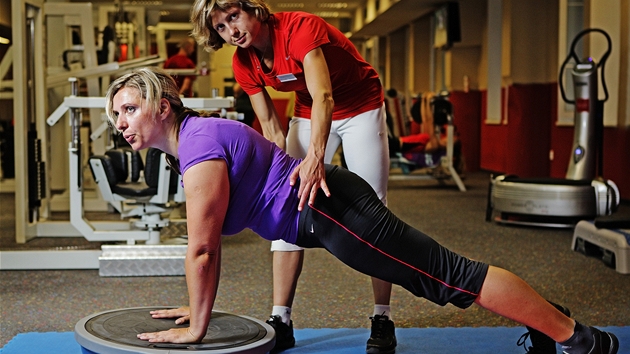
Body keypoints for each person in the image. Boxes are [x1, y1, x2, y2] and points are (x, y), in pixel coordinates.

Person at [106, 67, 619, 354]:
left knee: (450, 277)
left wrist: (197, 325)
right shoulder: (195, 141)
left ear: (163, 105)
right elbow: (206, 247)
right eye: (115, 115)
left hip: (334, 213)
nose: (121, 122)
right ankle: (557, 322)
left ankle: (581, 341)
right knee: (446, 276)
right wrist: (195, 307)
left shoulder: (199, 147)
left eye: (129, 108)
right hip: (331, 210)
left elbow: (202, 249)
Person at [190, 1, 395, 352]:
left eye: (233, 17)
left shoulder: (300, 28)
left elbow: (324, 95)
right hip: (307, 109)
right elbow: (270, 127)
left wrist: (316, 156)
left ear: (253, 8)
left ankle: (382, 317)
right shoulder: (244, 63)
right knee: (289, 204)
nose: (232, 31)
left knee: (375, 210)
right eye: (221, 27)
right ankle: (281, 318)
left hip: (361, 106)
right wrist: (280, 177)